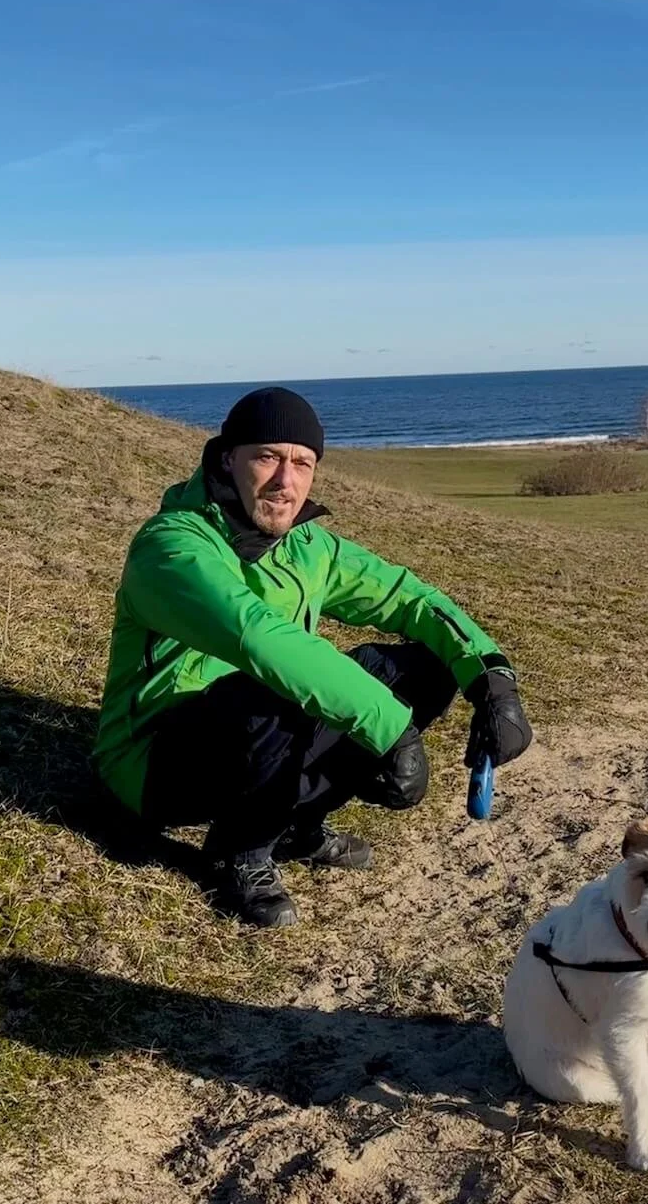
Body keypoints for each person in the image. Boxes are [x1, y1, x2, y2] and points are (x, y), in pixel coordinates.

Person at [92, 386, 533, 927]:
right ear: (228, 458)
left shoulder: (306, 547)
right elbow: (260, 639)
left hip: (256, 739)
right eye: (267, 457)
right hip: (155, 763)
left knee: (424, 667)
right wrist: (392, 728)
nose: (286, 481)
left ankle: (295, 824)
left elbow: (408, 598)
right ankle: (240, 851)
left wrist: (492, 679)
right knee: (284, 684)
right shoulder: (172, 546)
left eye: (302, 464)